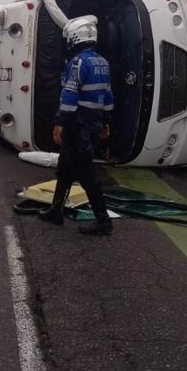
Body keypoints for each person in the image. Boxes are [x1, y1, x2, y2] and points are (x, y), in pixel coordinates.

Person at [38, 15, 115, 235]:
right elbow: (108, 96)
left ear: (74, 37)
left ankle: (103, 221)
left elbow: (70, 95)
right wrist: (106, 123)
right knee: (64, 169)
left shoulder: (78, 62)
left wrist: (59, 122)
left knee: (87, 175)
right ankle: (56, 210)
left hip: (77, 126)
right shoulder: (103, 62)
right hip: (92, 125)